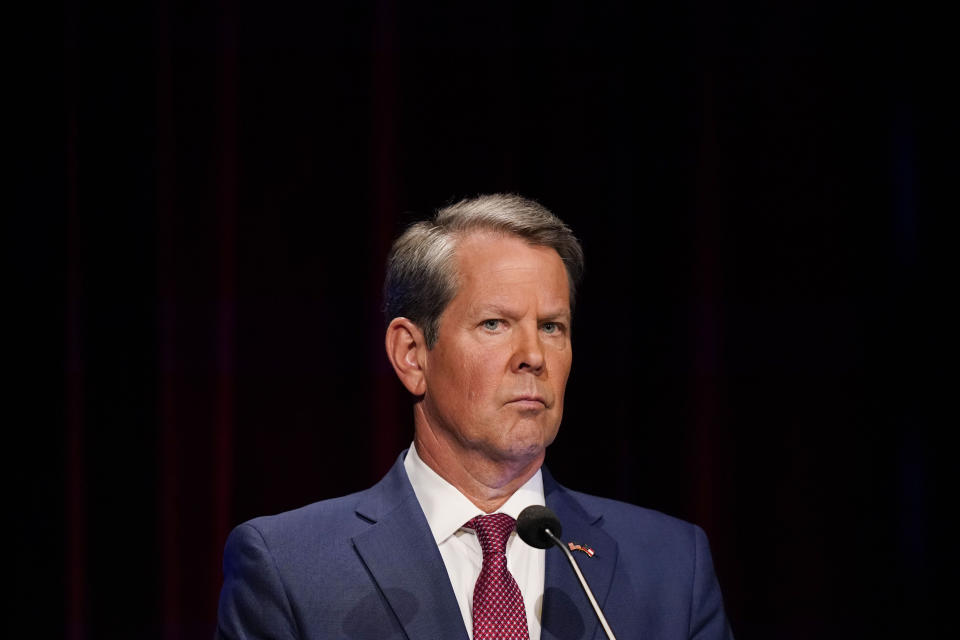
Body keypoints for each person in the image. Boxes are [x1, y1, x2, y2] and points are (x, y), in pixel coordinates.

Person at [215, 194, 734, 639]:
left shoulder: (670, 565)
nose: (533, 354)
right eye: (494, 323)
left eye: (552, 326)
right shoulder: (293, 568)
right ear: (412, 355)